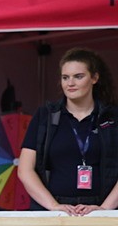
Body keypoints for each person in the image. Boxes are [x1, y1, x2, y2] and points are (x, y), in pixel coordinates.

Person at [18, 48, 118, 215]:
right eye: (65, 77)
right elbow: (25, 170)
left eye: (78, 77)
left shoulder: (113, 118)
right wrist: (53, 206)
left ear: (94, 78)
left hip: (102, 211)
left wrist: (104, 209)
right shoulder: (45, 116)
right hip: (52, 211)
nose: (70, 83)